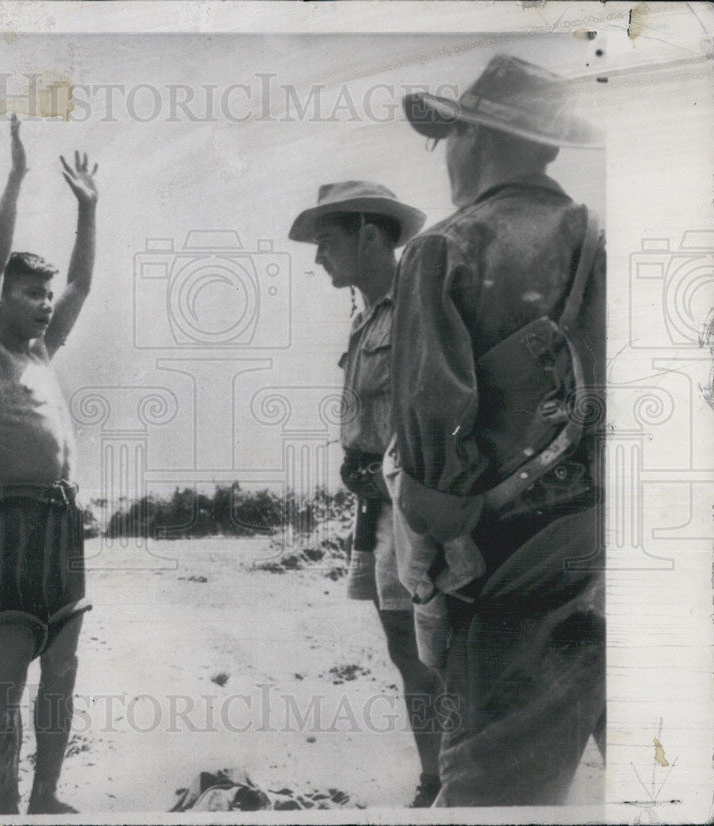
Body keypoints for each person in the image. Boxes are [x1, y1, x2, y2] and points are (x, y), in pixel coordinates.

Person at [392, 55, 606, 806]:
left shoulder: (443, 249)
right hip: (621, 552)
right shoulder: (604, 238)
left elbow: (432, 454)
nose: (447, 154)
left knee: (490, 794)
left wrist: (429, 567)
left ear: (474, 141)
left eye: (449, 139)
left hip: (513, 563)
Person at [0, 113, 98, 814]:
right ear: (2, 300)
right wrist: (15, 178)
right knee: (9, 677)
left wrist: (89, 209)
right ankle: (6, 809)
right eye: (30, 293)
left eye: (46, 296)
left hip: (63, 522)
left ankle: (46, 796)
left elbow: (81, 285)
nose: (44, 305)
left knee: (64, 672)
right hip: (13, 522)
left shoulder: (43, 352)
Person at [289, 182, 444, 808]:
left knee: (439, 649)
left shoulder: (418, 305)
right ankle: (435, 778)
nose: (318, 257)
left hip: (418, 506)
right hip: (379, 506)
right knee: (405, 649)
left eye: (327, 242)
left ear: (371, 236)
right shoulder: (366, 312)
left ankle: (462, 780)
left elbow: (438, 409)